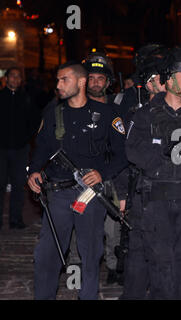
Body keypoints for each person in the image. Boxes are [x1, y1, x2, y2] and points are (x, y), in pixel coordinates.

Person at [27, 61, 128, 300]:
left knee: (90, 253)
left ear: (80, 82)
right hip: (58, 193)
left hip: (89, 194)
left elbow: (123, 154)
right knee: (47, 255)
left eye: (64, 80)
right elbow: (41, 147)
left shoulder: (107, 114)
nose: (58, 85)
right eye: (58, 80)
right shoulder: (53, 112)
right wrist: (34, 171)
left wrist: (102, 172)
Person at [122, 47, 181, 300]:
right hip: (155, 199)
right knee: (161, 265)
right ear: (169, 80)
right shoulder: (145, 114)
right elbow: (133, 150)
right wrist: (165, 154)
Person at [82, 53, 124, 285]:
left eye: (101, 78)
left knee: (112, 225)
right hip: (81, 177)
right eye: (91, 78)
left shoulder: (117, 111)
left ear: (108, 82)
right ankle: (81, 265)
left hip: (109, 175)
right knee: (83, 223)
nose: (96, 82)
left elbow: (123, 150)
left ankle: (112, 265)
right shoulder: (72, 107)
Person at [0, 67, 41, 230]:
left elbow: (35, 121)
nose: (15, 79)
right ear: (6, 78)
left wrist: (26, 138)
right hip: (1, 149)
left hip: (20, 149)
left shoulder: (27, 99)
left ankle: (15, 220)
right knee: (0, 184)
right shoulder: (0, 97)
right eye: (12, 76)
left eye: (18, 77)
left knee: (18, 185)